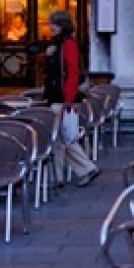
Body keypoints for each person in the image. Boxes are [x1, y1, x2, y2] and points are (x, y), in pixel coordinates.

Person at [43, 11, 99, 187]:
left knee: (62, 137)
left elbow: (72, 73)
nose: (50, 27)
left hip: (62, 98)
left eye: (52, 23)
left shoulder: (67, 44)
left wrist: (68, 99)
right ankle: (58, 176)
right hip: (57, 97)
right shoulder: (59, 44)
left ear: (61, 25)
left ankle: (86, 168)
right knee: (59, 138)